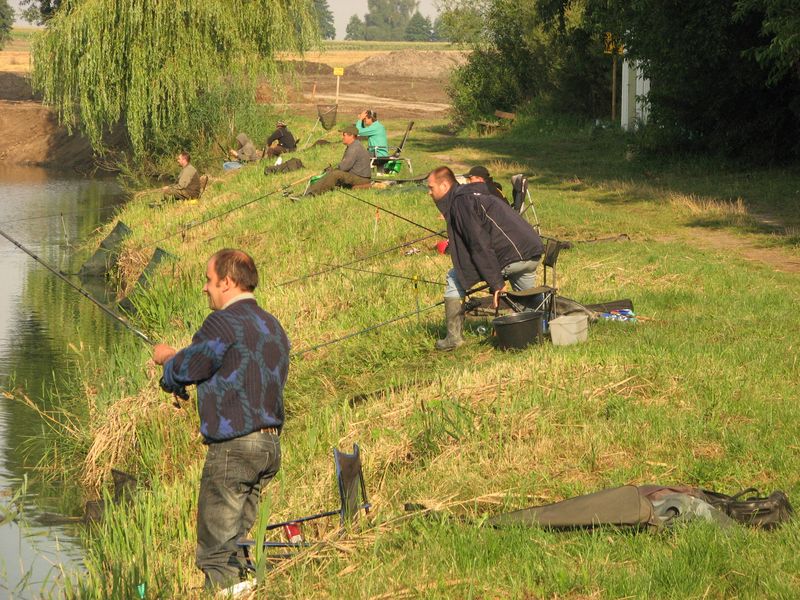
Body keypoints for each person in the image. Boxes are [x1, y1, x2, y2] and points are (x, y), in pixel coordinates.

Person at [153, 249, 290, 593]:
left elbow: (190, 367)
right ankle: (247, 588)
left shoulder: (221, 322)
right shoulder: (273, 325)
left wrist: (168, 362)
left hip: (234, 447)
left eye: (208, 280)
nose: (205, 288)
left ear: (227, 282)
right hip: (269, 445)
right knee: (239, 544)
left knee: (218, 552)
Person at [427, 166, 544, 351]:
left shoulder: (461, 202)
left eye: (431, 187)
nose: (429, 192)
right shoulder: (471, 194)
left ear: (443, 185)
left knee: (454, 277)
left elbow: (479, 245)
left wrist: (496, 283)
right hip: (530, 252)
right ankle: (571, 318)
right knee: (534, 302)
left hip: (513, 256)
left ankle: (453, 338)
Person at [303, 125, 372, 197]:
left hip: (361, 179)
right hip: (358, 176)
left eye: (344, 135)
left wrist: (332, 170)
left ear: (351, 136)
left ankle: (312, 194)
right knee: (332, 172)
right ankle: (310, 191)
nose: (342, 137)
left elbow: (344, 167)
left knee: (335, 174)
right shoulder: (354, 145)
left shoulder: (354, 148)